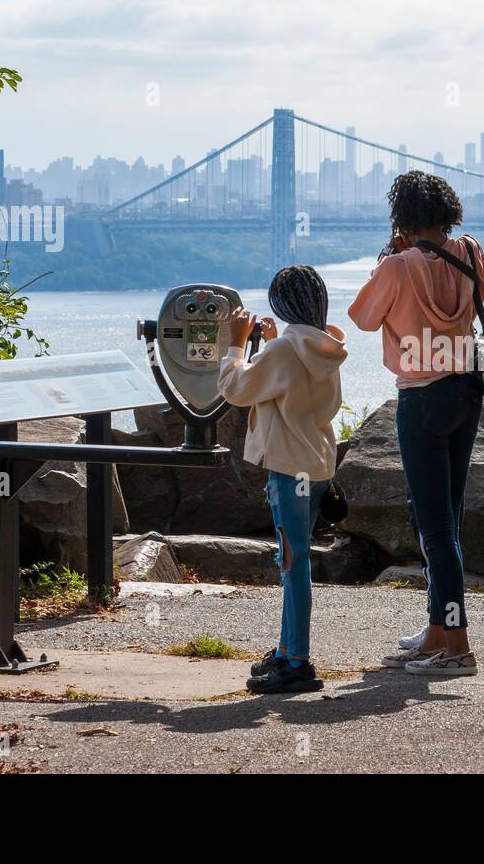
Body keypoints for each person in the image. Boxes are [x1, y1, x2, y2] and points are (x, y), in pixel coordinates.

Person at [348, 170, 483, 677]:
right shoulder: (470, 251)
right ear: (448, 212)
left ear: (401, 218)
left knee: (435, 527)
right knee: (448, 517)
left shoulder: (398, 266)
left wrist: (388, 259)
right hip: (466, 392)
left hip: (421, 397)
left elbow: (362, 318)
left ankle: (459, 648)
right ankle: (435, 632)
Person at [217, 265, 347, 694]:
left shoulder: (284, 351)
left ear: (281, 304)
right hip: (319, 467)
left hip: (289, 472)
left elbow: (236, 389)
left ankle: (296, 662)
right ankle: (287, 648)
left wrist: (236, 344)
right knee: (297, 562)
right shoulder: (325, 347)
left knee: (293, 566)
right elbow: (299, 384)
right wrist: (273, 344)